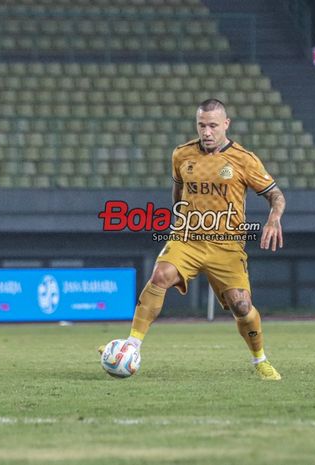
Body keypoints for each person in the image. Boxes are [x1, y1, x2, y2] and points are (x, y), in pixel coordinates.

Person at [100, 99, 286, 380]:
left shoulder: (244, 159)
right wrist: (179, 222)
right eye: (202, 125)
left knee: (242, 307)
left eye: (213, 125)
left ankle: (260, 359)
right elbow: (177, 193)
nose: (207, 132)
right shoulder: (181, 155)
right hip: (188, 238)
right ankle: (131, 345)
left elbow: (276, 195)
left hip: (227, 244)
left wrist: (273, 219)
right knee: (161, 275)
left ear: (226, 124)